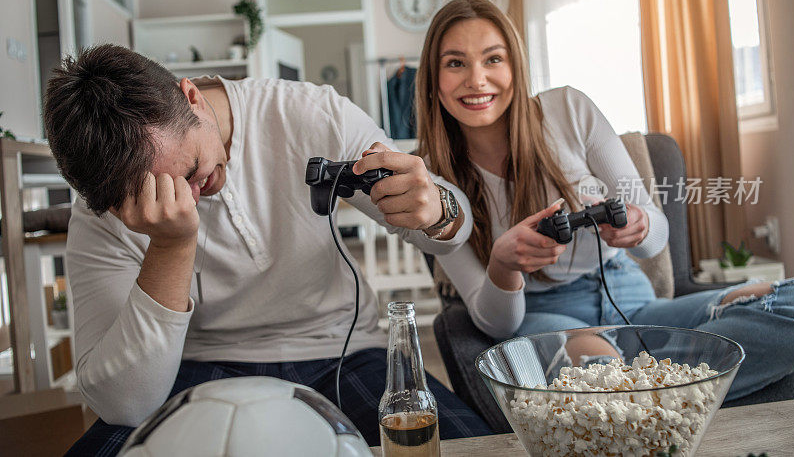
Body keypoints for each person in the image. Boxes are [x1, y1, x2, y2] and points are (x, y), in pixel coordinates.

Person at [45, 44, 492, 455]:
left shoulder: (307, 112)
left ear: (191, 98)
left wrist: (437, 207)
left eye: (193, 169)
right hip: (194, 366)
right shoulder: (101, 208)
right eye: (160, 195)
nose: (191, 196)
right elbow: (126, 403)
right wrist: (170, 245)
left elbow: (453, 229)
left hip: (342, 352)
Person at [415, 0, 794, 401]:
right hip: (542, 313)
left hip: (630, 295)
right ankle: (659, 387)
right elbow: (494, 324)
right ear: (433, 78)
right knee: (602, 382)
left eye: (493, 59)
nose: (477, 80)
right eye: (455, 63)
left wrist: (641, 224)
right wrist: (503, 264)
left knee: (791, 301)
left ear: (515, 66)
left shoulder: (568, 109)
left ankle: (649, 392)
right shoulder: (431, 185)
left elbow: (655, 235)